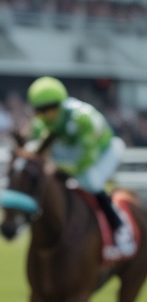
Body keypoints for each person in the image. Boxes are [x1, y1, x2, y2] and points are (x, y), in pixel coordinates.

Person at [26, 76, 129, 238]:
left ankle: (117, 224)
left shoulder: (82, 119)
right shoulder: (40, 124)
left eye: (51, 109)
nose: (46, 115)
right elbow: (33, 153)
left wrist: (58, 168)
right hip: (73, 151)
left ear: (61, 104)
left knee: (90, 182)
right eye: (40, 110)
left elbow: (87, 159)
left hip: (105, 151)